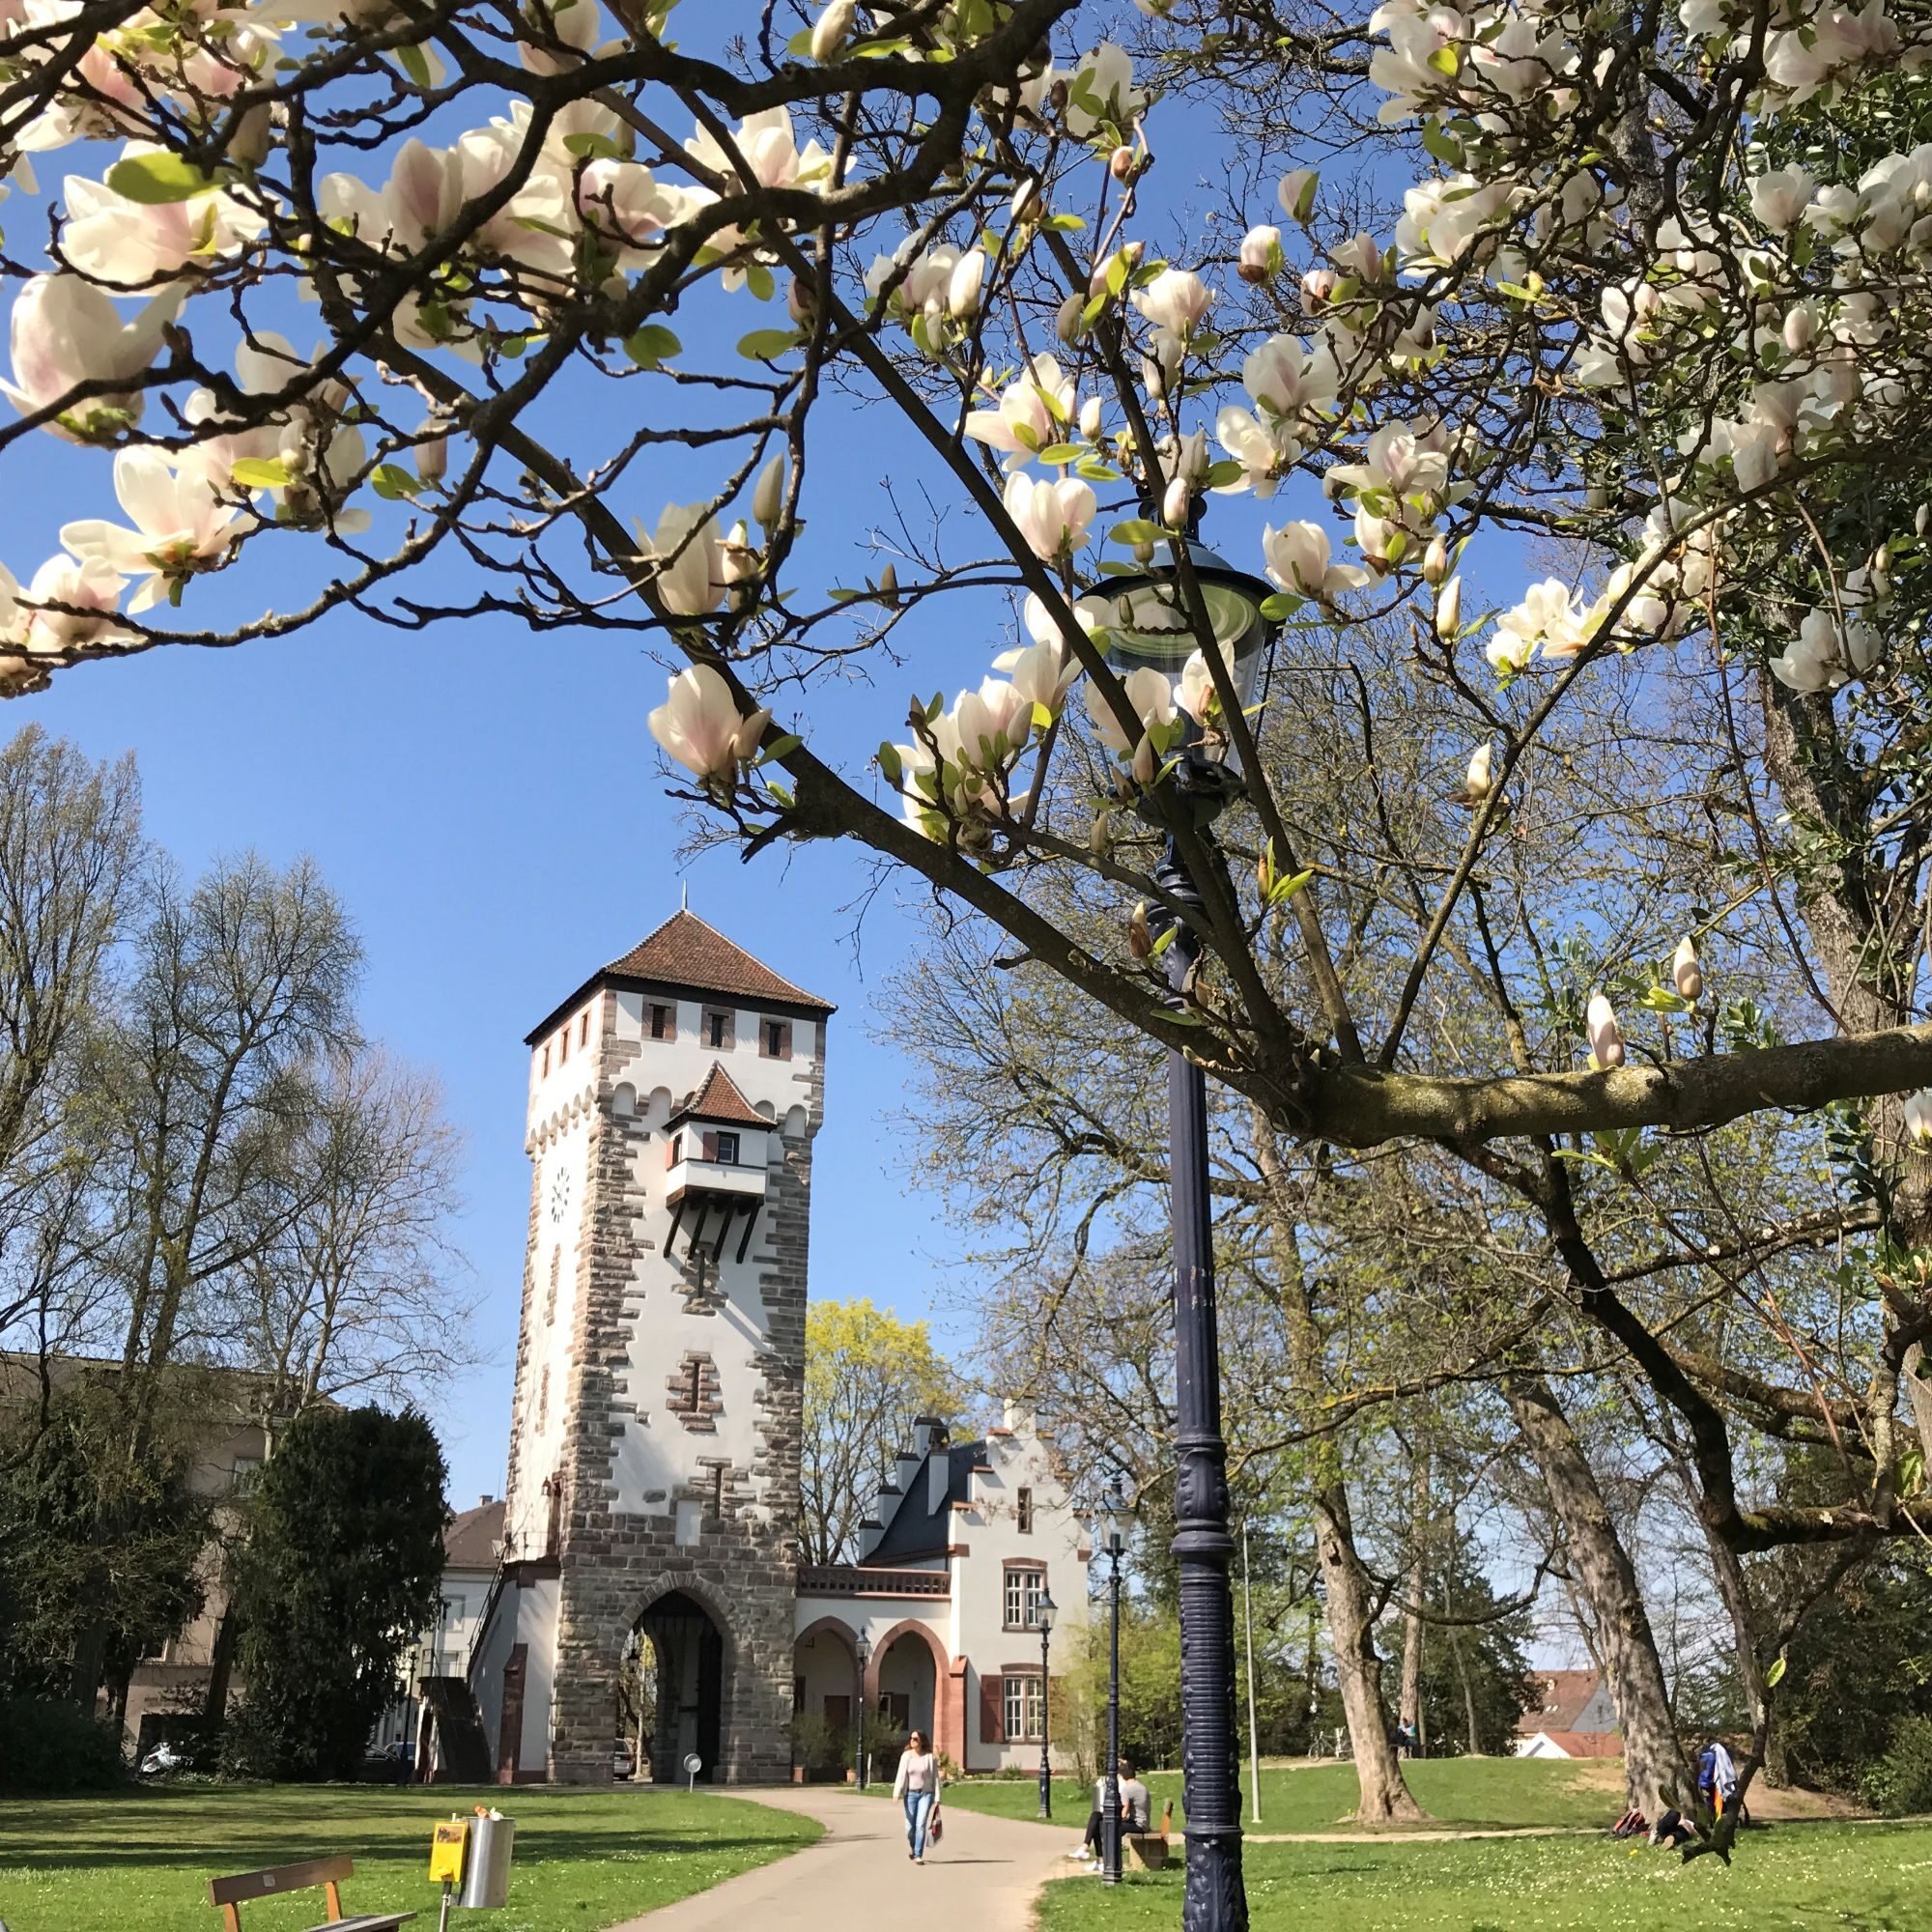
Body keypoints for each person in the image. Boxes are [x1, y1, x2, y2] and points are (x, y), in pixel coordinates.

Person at [893, 1729, 942, 1864]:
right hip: (910, 1794)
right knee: (910, 1828)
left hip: (926, 1794)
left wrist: (937, 1797)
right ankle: (913, 1847)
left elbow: (935, 1778)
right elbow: (901, 1775)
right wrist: (896, 1793)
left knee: (920, 1824)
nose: (912, 1741)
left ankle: (918, 1854)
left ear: (922, 1741)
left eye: (915, 1739)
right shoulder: (906, 1756)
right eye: (911, 1738)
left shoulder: (929, 1757)